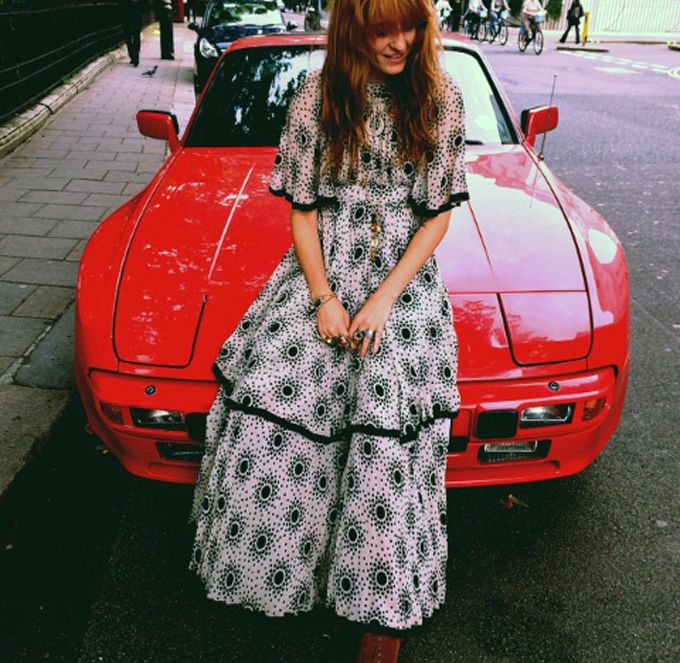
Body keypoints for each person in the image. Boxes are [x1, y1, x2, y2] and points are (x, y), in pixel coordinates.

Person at [187, 0, 469, 659]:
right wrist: (322, 298)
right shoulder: (317, 95)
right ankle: (301, 583)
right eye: (380, 27)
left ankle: (377, 621)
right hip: (322, 279)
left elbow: (437, 217)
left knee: (386, 463)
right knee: (280, 436)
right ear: (352, 26)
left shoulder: (440, 97)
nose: (397, 41)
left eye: (409, 26)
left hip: (402, 294)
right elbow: (304, 210)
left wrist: (380, 303)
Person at [119, 0, 144, 66]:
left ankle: (133, 56)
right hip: (136, 14)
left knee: (129, 36)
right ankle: (135, 55)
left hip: (127, 14)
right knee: (136, 36)